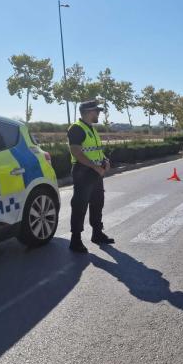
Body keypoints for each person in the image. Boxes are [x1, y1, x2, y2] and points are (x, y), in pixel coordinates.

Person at [68, 100, 115, 253]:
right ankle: (75, 240)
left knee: (97, 203)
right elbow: (76, 152)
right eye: (97, 111)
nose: (99, 114)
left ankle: (97, 233)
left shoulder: (92, 129)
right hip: (83, 172)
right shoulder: (76, 128)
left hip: (95, 172)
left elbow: (96, 150)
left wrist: (105, 160)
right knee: (80, 206)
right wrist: (95, 167)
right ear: (88, 112)